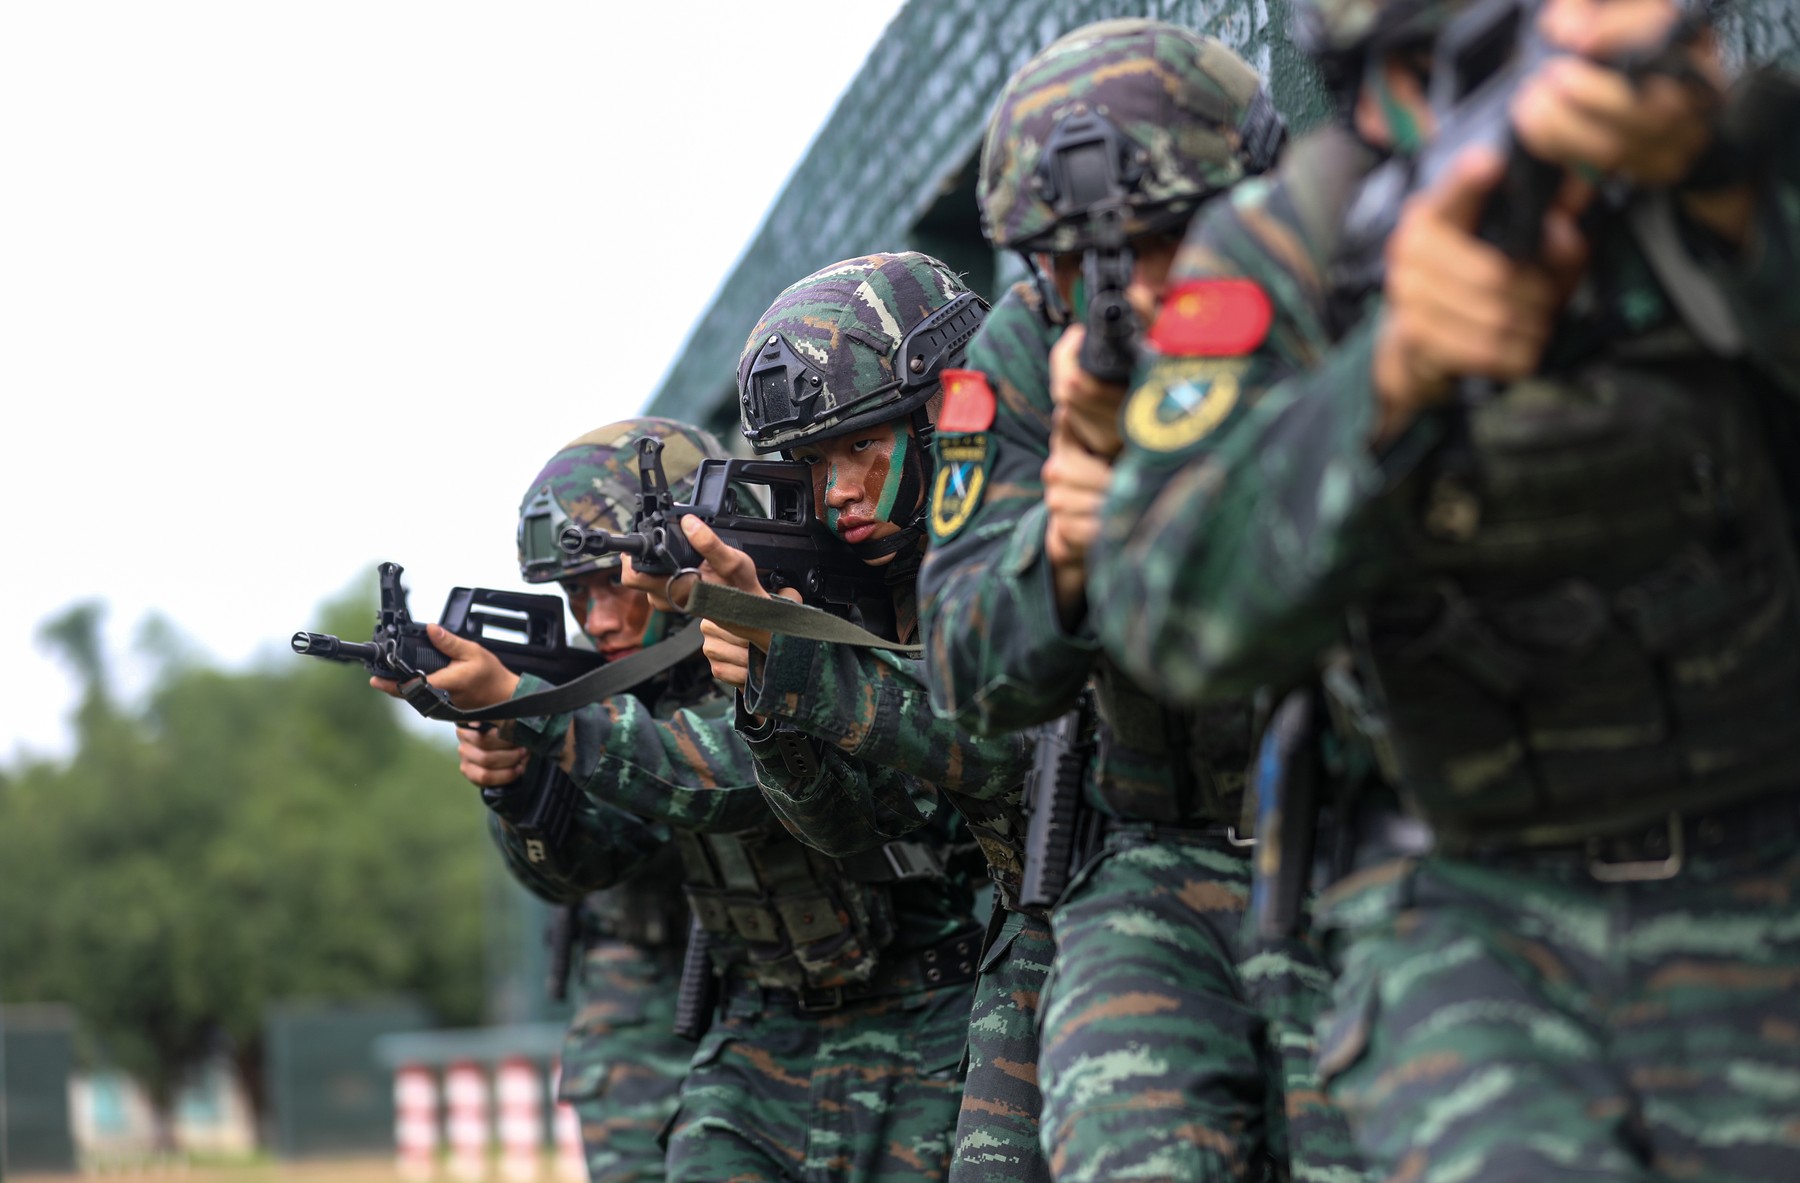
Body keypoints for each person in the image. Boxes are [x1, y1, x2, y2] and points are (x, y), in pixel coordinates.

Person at [1090, 0, 1800, 1176]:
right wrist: (1393, 374)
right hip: (1472, 913)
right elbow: (1168, 613)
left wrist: (1726, 201)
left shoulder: (1735, 162)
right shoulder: (1290, 249)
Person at [915, 20, 1364, 1183]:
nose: (1138, 288)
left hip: (1362, 838)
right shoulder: (1027, 356)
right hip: (1153, 856)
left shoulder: (1346, 289)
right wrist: (1063, 554)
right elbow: (964, 665)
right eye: (1078, 261)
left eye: (1171, 238)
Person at [396, 408, 989, 1183]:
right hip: (760, 1031)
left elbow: (723, 778)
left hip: (920, 1010)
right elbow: (581, 863)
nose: (599, 616)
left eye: (614, 582)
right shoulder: (643, 688)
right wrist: (513, 780)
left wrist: (532, 708)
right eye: (577, 594)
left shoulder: (809, 619)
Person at [641, 250, 1045, 1183]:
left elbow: (1002, 746)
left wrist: (801, 666)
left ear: (948, 418)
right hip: (1040, 932)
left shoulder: (1025, 531)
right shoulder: (888, 587)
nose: (837, 494)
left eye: (862, 446)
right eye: (815, 464)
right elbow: (866, 828)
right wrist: (773, 702)